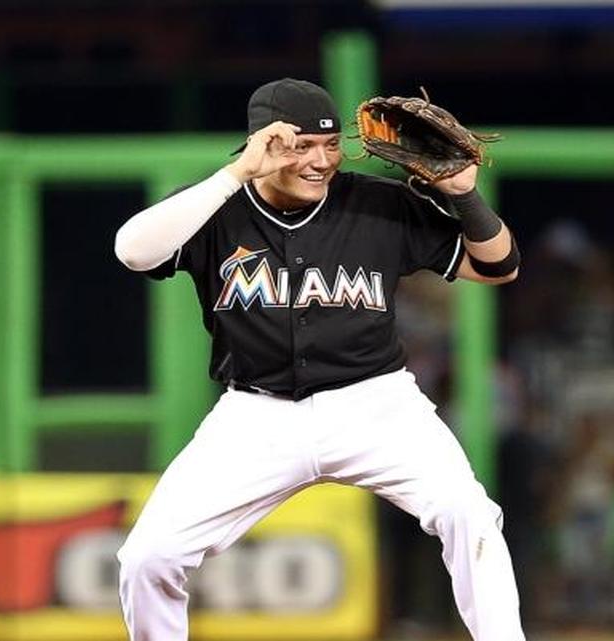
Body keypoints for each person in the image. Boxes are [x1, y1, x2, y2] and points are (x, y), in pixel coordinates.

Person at [111, 78, 525, 641]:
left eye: (329, 145)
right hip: (256, 416)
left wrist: (463, 194)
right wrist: (235, 175)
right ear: (260, 144)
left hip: (376, 405)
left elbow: (498, 267)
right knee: (148, 558)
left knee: (469, 515)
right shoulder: (216, 209)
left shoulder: (377, 205)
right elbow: (133, 251)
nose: (320, 160)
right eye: (300, 145)